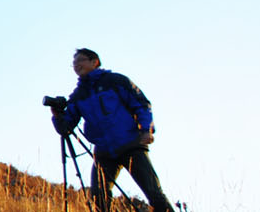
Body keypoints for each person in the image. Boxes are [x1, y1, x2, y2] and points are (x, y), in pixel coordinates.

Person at [52, 48, 172, 212]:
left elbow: (141, 104)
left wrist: (146, 130)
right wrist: (57, 115)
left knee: (154, 193)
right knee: (98, 199)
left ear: (94, 62)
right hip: (104, 152)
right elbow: (65, 127)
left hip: (131, 145)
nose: (76, 65)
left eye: (80, 60)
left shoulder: (115, 81)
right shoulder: (79, 95)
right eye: (73, 63)